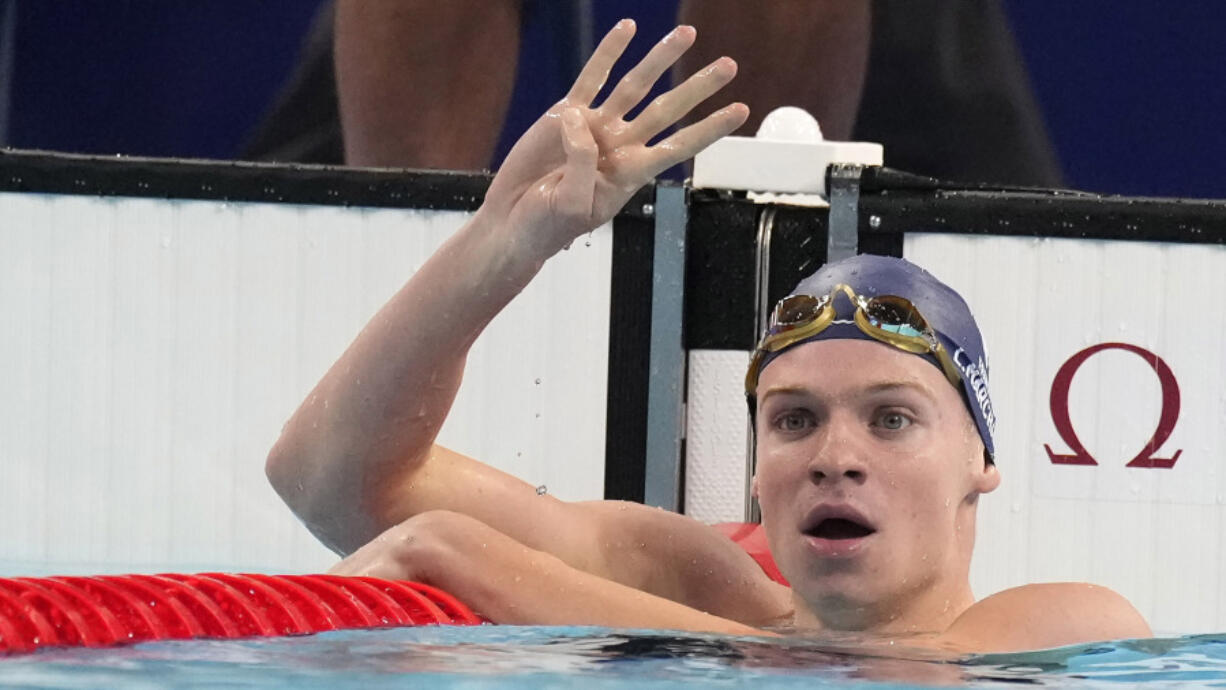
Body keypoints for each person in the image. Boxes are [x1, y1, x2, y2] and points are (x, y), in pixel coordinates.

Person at [265, 21, 1147, 651]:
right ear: (759, 461)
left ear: (980, 464)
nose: (834, 456)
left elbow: (895, 678)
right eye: (795, 420)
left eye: (890, 419)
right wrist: (500, 245)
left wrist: (465, 555)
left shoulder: (1067, 628)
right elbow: (329, 482)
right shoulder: (701, 579)